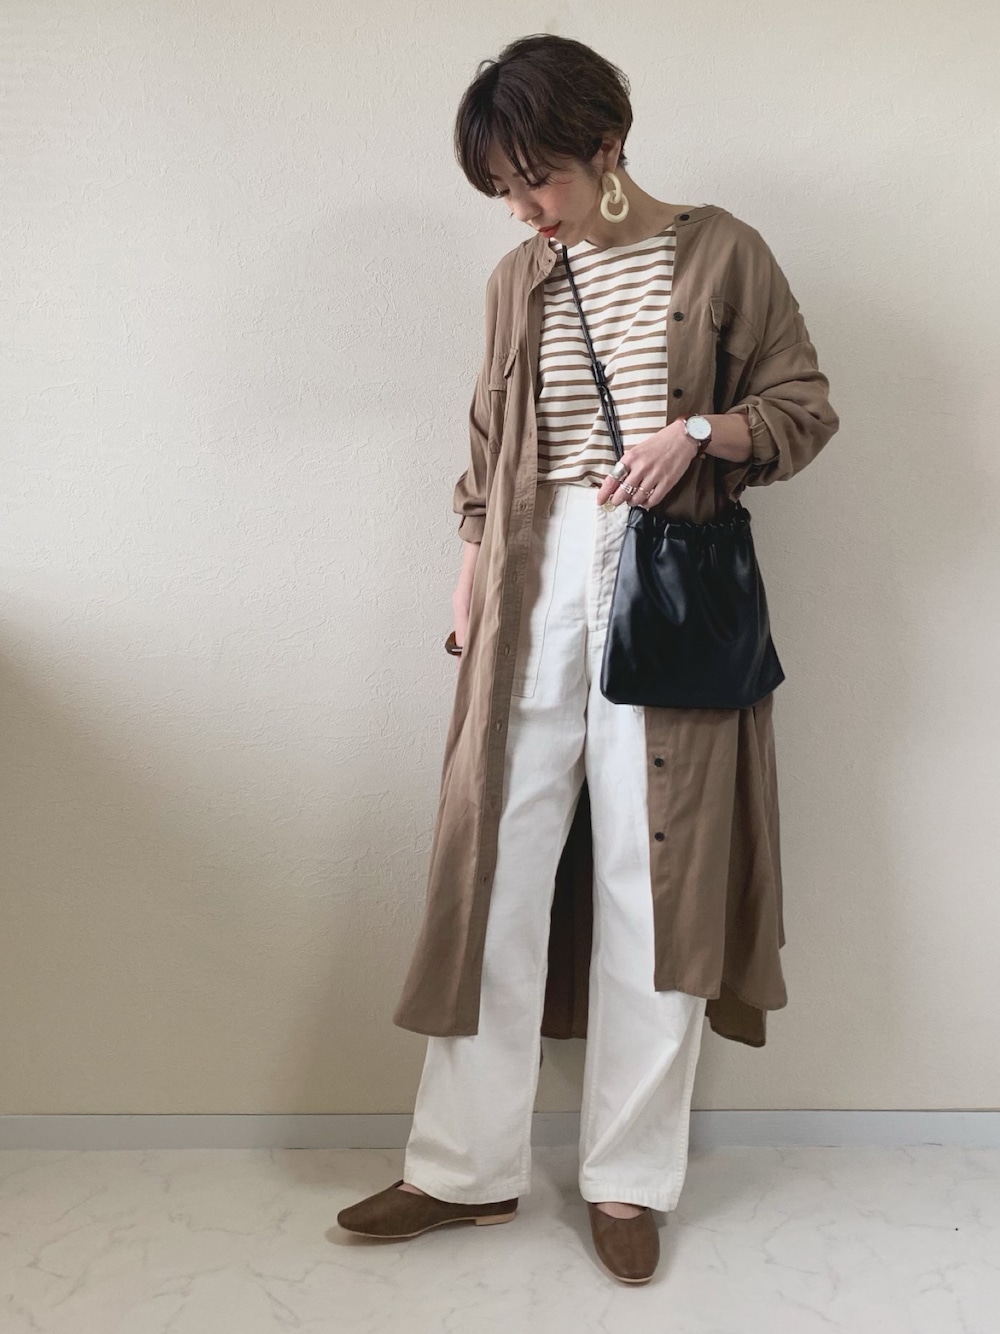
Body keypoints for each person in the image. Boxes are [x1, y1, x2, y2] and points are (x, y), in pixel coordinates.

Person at [337, 34, 839, 1284]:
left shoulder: (720, 251)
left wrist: (698, 431)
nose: (522, 209)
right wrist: (469, 589)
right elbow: (487, 450)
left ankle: (629, 1177)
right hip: (529, 581)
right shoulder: (518, 276)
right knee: (493, 871)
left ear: (608, 148)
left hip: (661, 585)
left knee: (648, 877)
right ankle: (461, 1169)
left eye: (538, 180)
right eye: (503, 189)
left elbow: (802, 405)